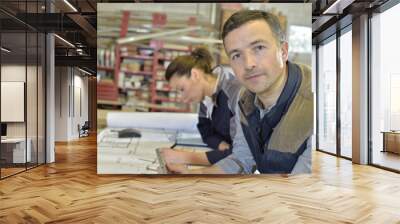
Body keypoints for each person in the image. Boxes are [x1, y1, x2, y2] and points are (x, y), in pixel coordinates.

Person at [165, 10, 313, 174]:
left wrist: (188, 159)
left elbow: (299, 191)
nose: (248, 64)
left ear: (283, 51)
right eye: (236, 55)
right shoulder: (246, 99)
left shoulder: (317, 107)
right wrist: (192, 175)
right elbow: (241, 159)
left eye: (258, 48)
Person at [160, 47, 242, 168]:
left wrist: (184, 157)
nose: (183, 98)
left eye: (182, 89)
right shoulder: (206, 98)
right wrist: (220, 144)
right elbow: (206, 132)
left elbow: (242, 154)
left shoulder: (235, 93)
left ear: (195, 75)